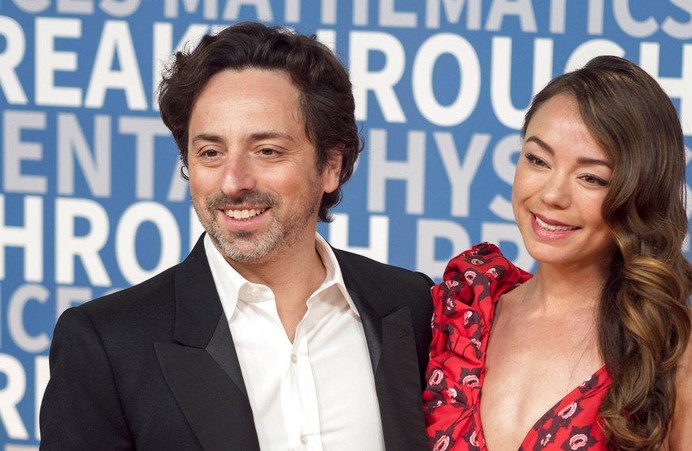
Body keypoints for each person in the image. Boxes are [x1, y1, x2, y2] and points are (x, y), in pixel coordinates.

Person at [40, 22, 433, 451]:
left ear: (331, 166)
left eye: (267, 151)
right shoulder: (107, 345)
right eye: (210, 152)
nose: (232, 182)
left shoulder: (410, 307)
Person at [423, 55, 692, 450]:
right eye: (537, 160)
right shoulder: (461, 313)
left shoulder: (686, 350)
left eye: (591, 177)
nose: (552, 195)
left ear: (640, 194)